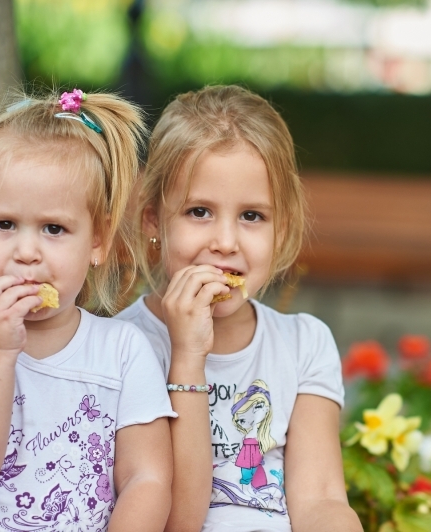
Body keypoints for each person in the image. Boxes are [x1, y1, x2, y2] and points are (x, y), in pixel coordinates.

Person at [0, 89, 175, 532]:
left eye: (54, 228)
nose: (26, 252)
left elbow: (147, 479)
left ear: (97, 241)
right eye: (4, 225)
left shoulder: (123, 351)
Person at [116, 85, 362, 532]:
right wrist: (187, 357)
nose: (225, 243)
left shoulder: (304, 344)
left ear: (280, 228)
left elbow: (321, 499)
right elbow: (174, 521)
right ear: (153, 219)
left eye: (252, 216)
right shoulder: (121, 347)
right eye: (199, 212)